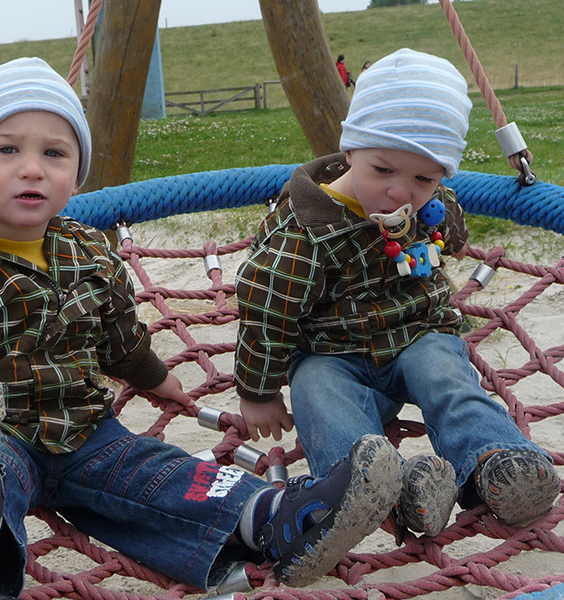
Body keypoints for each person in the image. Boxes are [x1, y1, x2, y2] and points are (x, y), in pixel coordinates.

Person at [0, 57, 404, 598]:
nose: (31, 169)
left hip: (83, 431)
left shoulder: (87, 249)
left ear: (76, 174)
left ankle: (280, 518)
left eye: (54, 153)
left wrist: (155, 379)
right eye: (6, 150)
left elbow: (118, 334)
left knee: (164, 473)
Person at [234, 48, 560, 540]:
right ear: (351, 149)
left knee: (449, 378)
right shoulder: (304, 228)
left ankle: (496, 464)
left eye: (423, 178)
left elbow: (452, 240)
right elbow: (266, 309)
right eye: (382, 170)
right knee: (319, 396)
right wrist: (256, 391)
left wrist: (438, 213)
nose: (399, 193)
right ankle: (382, 491)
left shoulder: (426, 201)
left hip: (418, 334)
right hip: (331, 351)